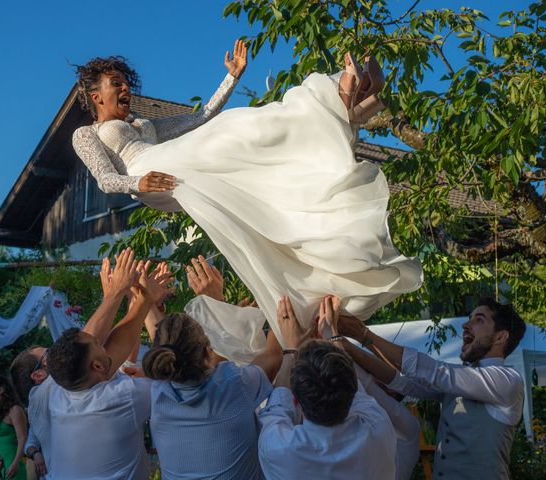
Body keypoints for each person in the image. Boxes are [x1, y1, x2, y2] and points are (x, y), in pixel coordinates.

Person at [71, 42, 423, 358]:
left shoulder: (142, 123)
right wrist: (138, 181)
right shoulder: (86, 133)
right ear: (95, 95)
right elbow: (104, 180)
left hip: (172, 166)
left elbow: (201, 117)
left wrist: (232, 78)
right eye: (115, 83)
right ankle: (338, 101)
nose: (125, 87)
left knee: (236, 137)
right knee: (229, 134)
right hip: (149, 175)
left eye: (125, 81)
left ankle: (349, 110)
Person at [333, 297, 527, 479]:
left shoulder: (508, 381)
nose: (465, 325)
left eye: (479, 320)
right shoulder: (461, 378)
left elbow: (433, 371)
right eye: (469, 318)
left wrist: (363, 333)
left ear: (500, 337)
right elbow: (403, 381)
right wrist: (346, 347)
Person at [9, 250, 143, 478]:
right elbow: (82, 350)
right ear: (39, 376)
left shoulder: (77, 390)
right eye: (49, 354)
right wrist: (115, 295)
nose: (59, 352)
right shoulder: (42, 397)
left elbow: (107, 352)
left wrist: (133, 300)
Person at [45, 253, 172, 480]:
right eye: (99, 345)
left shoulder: (59, 392)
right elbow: (176, 369)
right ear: (97, 366)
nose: (103, 341)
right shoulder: (123, 398)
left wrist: (114, 297)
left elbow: (88, 343)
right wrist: (137, 299)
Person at [142, 297, 297, 480]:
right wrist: (291, 344)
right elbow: (273, 356)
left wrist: (146, 300)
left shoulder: (159, 392)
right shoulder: (232, 384)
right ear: (209, 351)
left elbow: (167, 349)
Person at [256, 296, 396, 479]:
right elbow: (356, 390)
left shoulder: (278, 448)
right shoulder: (379, 428)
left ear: (296, 400)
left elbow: (278, 405)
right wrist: (331, 335)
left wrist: (292, 349)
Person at [0, 375, 27, 480]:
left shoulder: (15, 410)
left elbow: (22, 438)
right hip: (1, 466)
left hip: (13, 465)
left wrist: (15, 464)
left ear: (0, 389)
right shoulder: (0, 411)